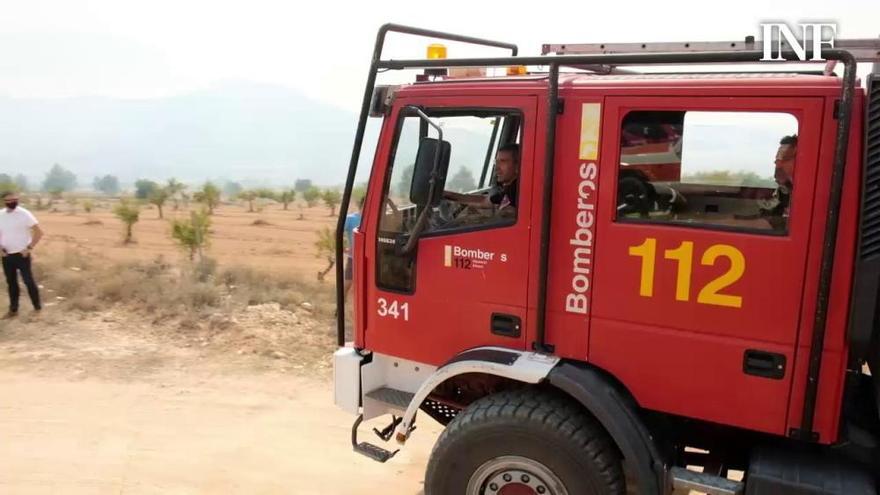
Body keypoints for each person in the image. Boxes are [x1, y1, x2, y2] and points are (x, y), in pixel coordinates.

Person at [0, 191, 43, 318]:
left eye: (14, 199)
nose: (12, 202)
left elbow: (39, 232)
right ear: (4, 201)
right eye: (8, 200)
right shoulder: (1, 215)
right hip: (6, 255)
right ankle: (13, 310)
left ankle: (37, 309)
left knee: (28, 281)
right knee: (11, 283)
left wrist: (29, 248)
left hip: (22, 255)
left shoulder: (24, 214)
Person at [444, 143, 520, 210]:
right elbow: (484, 200)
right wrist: (448, 195)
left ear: (517, 166)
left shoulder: (516, 193)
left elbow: (484, 202)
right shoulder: (508, 190)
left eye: (503, 161)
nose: (496, 168)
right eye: (496, 162)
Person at [343, 196, 364, 298]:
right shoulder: (350, 219)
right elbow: (337, 233)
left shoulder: (374, 220)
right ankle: (339, 310)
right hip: (354, 258)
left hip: (369, 259)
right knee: (347, 284)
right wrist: (343, 248)